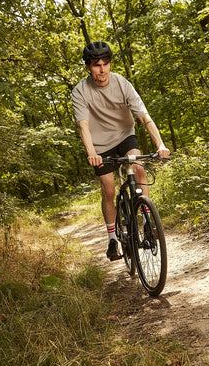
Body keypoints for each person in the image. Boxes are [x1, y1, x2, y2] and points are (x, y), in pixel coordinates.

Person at [72, 41, 170, 261]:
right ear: (88, 67)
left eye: (106, 63)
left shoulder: (122, 83)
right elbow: (83, 125)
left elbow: (144, 117)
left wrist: (160, 144)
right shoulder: (80, 91)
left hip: (125, 135)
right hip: (99, 144)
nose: (103, 69)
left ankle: (146, 220)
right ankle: (112, 240)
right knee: (108, 188)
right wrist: (91, 152)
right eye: (97, 65)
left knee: (138, 167)